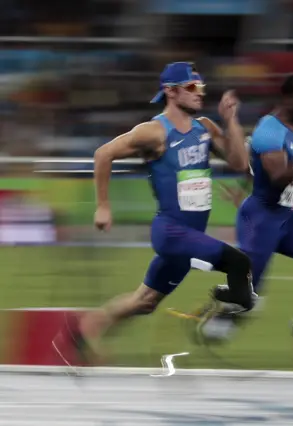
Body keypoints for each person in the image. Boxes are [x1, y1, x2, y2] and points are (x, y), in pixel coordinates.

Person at [52, 61, 256, 366]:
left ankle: (81, 333)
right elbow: (103, 153)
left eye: (201, 87)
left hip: (191, 236)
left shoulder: (205, 128)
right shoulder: (154, 132)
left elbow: (239, 163)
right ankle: (219, 306)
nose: (200, 93)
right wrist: (103, 206)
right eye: (191, 88)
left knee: (144, 302)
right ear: (170, 92)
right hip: (172, 233)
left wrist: (232, 121)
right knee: (239, 264)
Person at [200, 73, 293, 362]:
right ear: (288, 99)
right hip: (260, 219)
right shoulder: (268, 131)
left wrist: (243, 187)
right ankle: (221, 315)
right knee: (250, 297)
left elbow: (258, 169)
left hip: (286, 217)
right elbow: (278, 176)